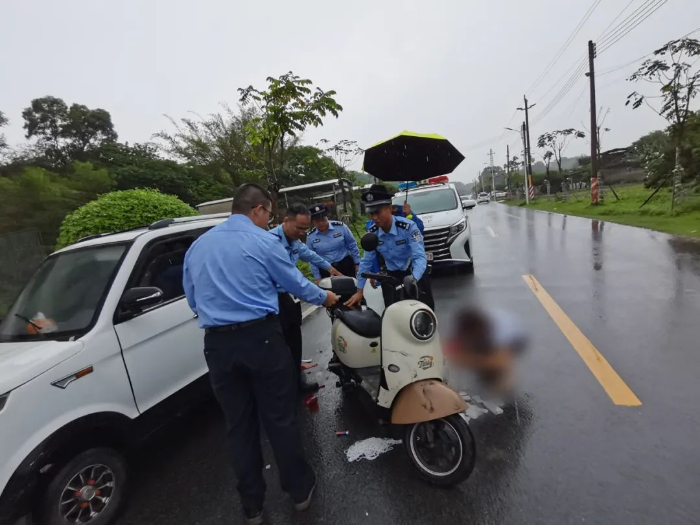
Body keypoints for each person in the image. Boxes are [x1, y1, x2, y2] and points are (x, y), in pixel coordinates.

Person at [182, 184, 340, 524]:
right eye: (268, 214)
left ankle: (251, 506)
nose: (268, 220)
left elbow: (193, 300)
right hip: (261, 339)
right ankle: (299, 493)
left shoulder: (198, 247)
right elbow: (294, 283)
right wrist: (324, 297)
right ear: (258, 209)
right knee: (279, 418)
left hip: (218, 346)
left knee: (238, 426)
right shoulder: (263, 241)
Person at [269, 203, 342, 394]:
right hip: (270, 300)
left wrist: (331, 269)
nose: (302, 233)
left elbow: (310, 255)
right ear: (286, 221)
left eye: (305, 229)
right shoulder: (269, 242)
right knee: (277, 344)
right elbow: (292, 279)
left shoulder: (294, 241)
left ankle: (297, 380)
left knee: (294, 337)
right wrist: (322, 296)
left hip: (288, 297)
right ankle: (283, 386)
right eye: (298, 228)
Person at [345, 184, 435, 310]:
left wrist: (414, 279)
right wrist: (359, 291)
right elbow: (366, 261)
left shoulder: (409, 227)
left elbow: (419, 256)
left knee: (424, 313)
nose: (374, 217)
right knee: (393, 316)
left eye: (378, 212)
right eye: (371, 213)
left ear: (389, 208)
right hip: (392, 276)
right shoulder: (373, 233)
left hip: (414, 273)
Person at [306, 203, 360, 279]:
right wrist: (317, 277)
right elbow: (312, 258)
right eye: (317, 221)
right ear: (313, 222)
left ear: (327, 217)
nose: (321, 223)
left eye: (323, 219)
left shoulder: (341, 227)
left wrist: (357, 263)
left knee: (352, 289)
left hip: (346, 266)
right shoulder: (310, 236)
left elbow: (352, 245)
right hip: (326, 270)